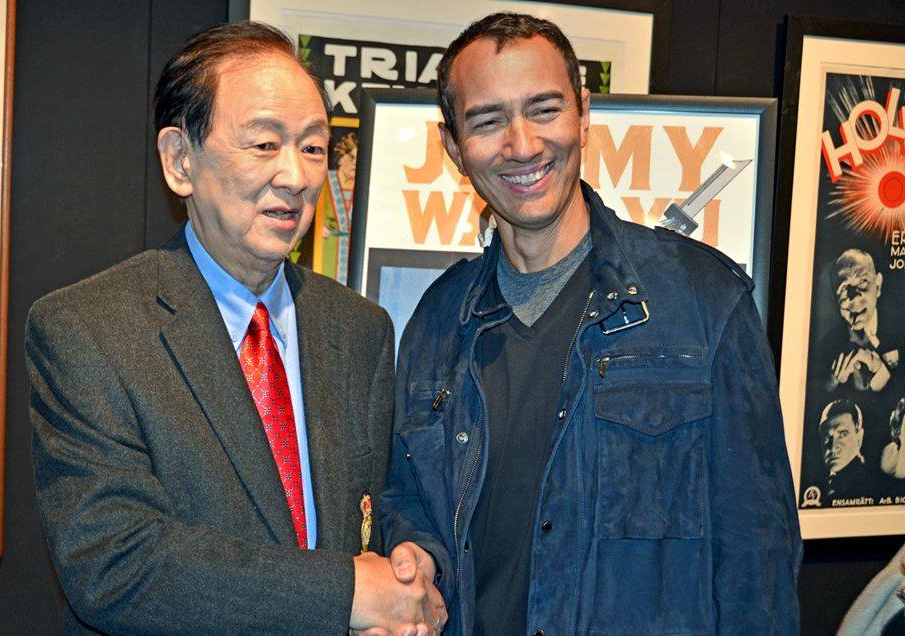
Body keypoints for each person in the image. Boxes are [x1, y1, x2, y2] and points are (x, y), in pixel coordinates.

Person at [379, 12, 802, 635]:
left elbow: (757, 561)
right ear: (453, 146)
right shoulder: (437, 321)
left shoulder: (704, 301)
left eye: (544, 109)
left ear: (583, 114)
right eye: (488, 120)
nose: (522, 145)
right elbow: (411, 505)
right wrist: (416, 555)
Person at [26, 22, 444, 635]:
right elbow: (117, 564)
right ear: (179, 161)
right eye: (264, 144)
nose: (297, 177)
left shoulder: (360, 330)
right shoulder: (90, 331)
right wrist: (349, 592)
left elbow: (382, 506)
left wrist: (410, 566)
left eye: (312, 147)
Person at [824, 249, 897, 394]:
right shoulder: (826, 345)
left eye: (863, 281)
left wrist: (881, 372)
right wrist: (832, 382)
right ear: (834, 299)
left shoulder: (900, 328)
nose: (855, 297)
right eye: (844, 288)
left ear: (878, 286)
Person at [818, 399, 870, 503]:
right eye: (826, 438)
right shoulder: (820, 487)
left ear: (859, 438)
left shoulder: (870, 485)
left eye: (842, 434)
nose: (832, 447)